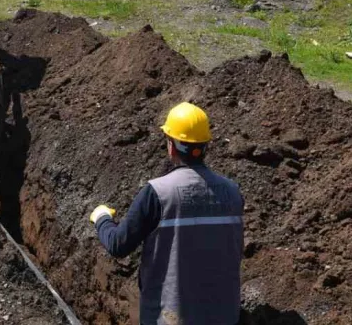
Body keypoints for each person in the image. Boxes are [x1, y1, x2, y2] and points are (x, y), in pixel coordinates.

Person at [90, 102, 244, 325]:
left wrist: (102, 218)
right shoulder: (233, 192)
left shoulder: (158, 193)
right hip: (225, 318)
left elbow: (118, 245)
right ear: (205, 146)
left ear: (171, 146)